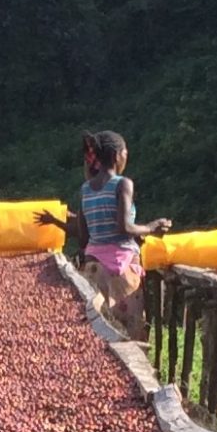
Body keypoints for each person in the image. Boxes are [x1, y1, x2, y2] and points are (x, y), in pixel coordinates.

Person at [37, 131, 171, 338]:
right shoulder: (122, 184)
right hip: (122, 272)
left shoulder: (86, 189)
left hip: (92, 270)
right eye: (125, 153)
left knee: (98, 339)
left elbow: (83, 238)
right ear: (117, 155)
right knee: (131, 340)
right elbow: (125, 227)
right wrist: (153, 226)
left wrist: (57, 222)